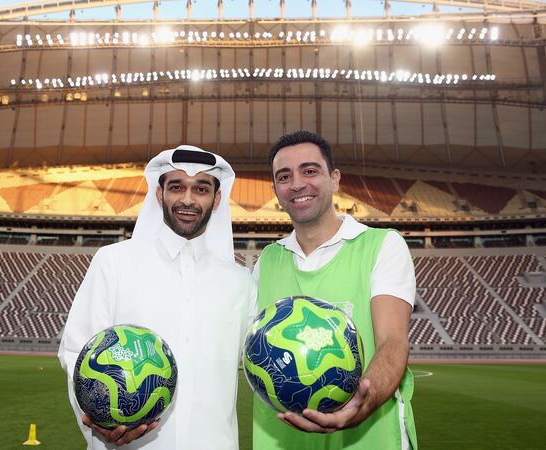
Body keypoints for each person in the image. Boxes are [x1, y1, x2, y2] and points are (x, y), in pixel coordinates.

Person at [58, 145, 256, 450]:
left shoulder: (241, 282)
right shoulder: (113, 263)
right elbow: (76, 351)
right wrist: (99, 422)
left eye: (201, 189)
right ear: (159, 194)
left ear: (216, 199)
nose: (188, 199)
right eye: (177, 187)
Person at [251, 130, 418, 449]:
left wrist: (358, 408)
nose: (297, 184)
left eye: (310, 171)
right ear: (276, 189)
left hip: (369, 439)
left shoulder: (381, 245)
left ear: (335, 179)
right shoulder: (268, 260)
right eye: (284, 176)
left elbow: (393, 342)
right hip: (286, 440)